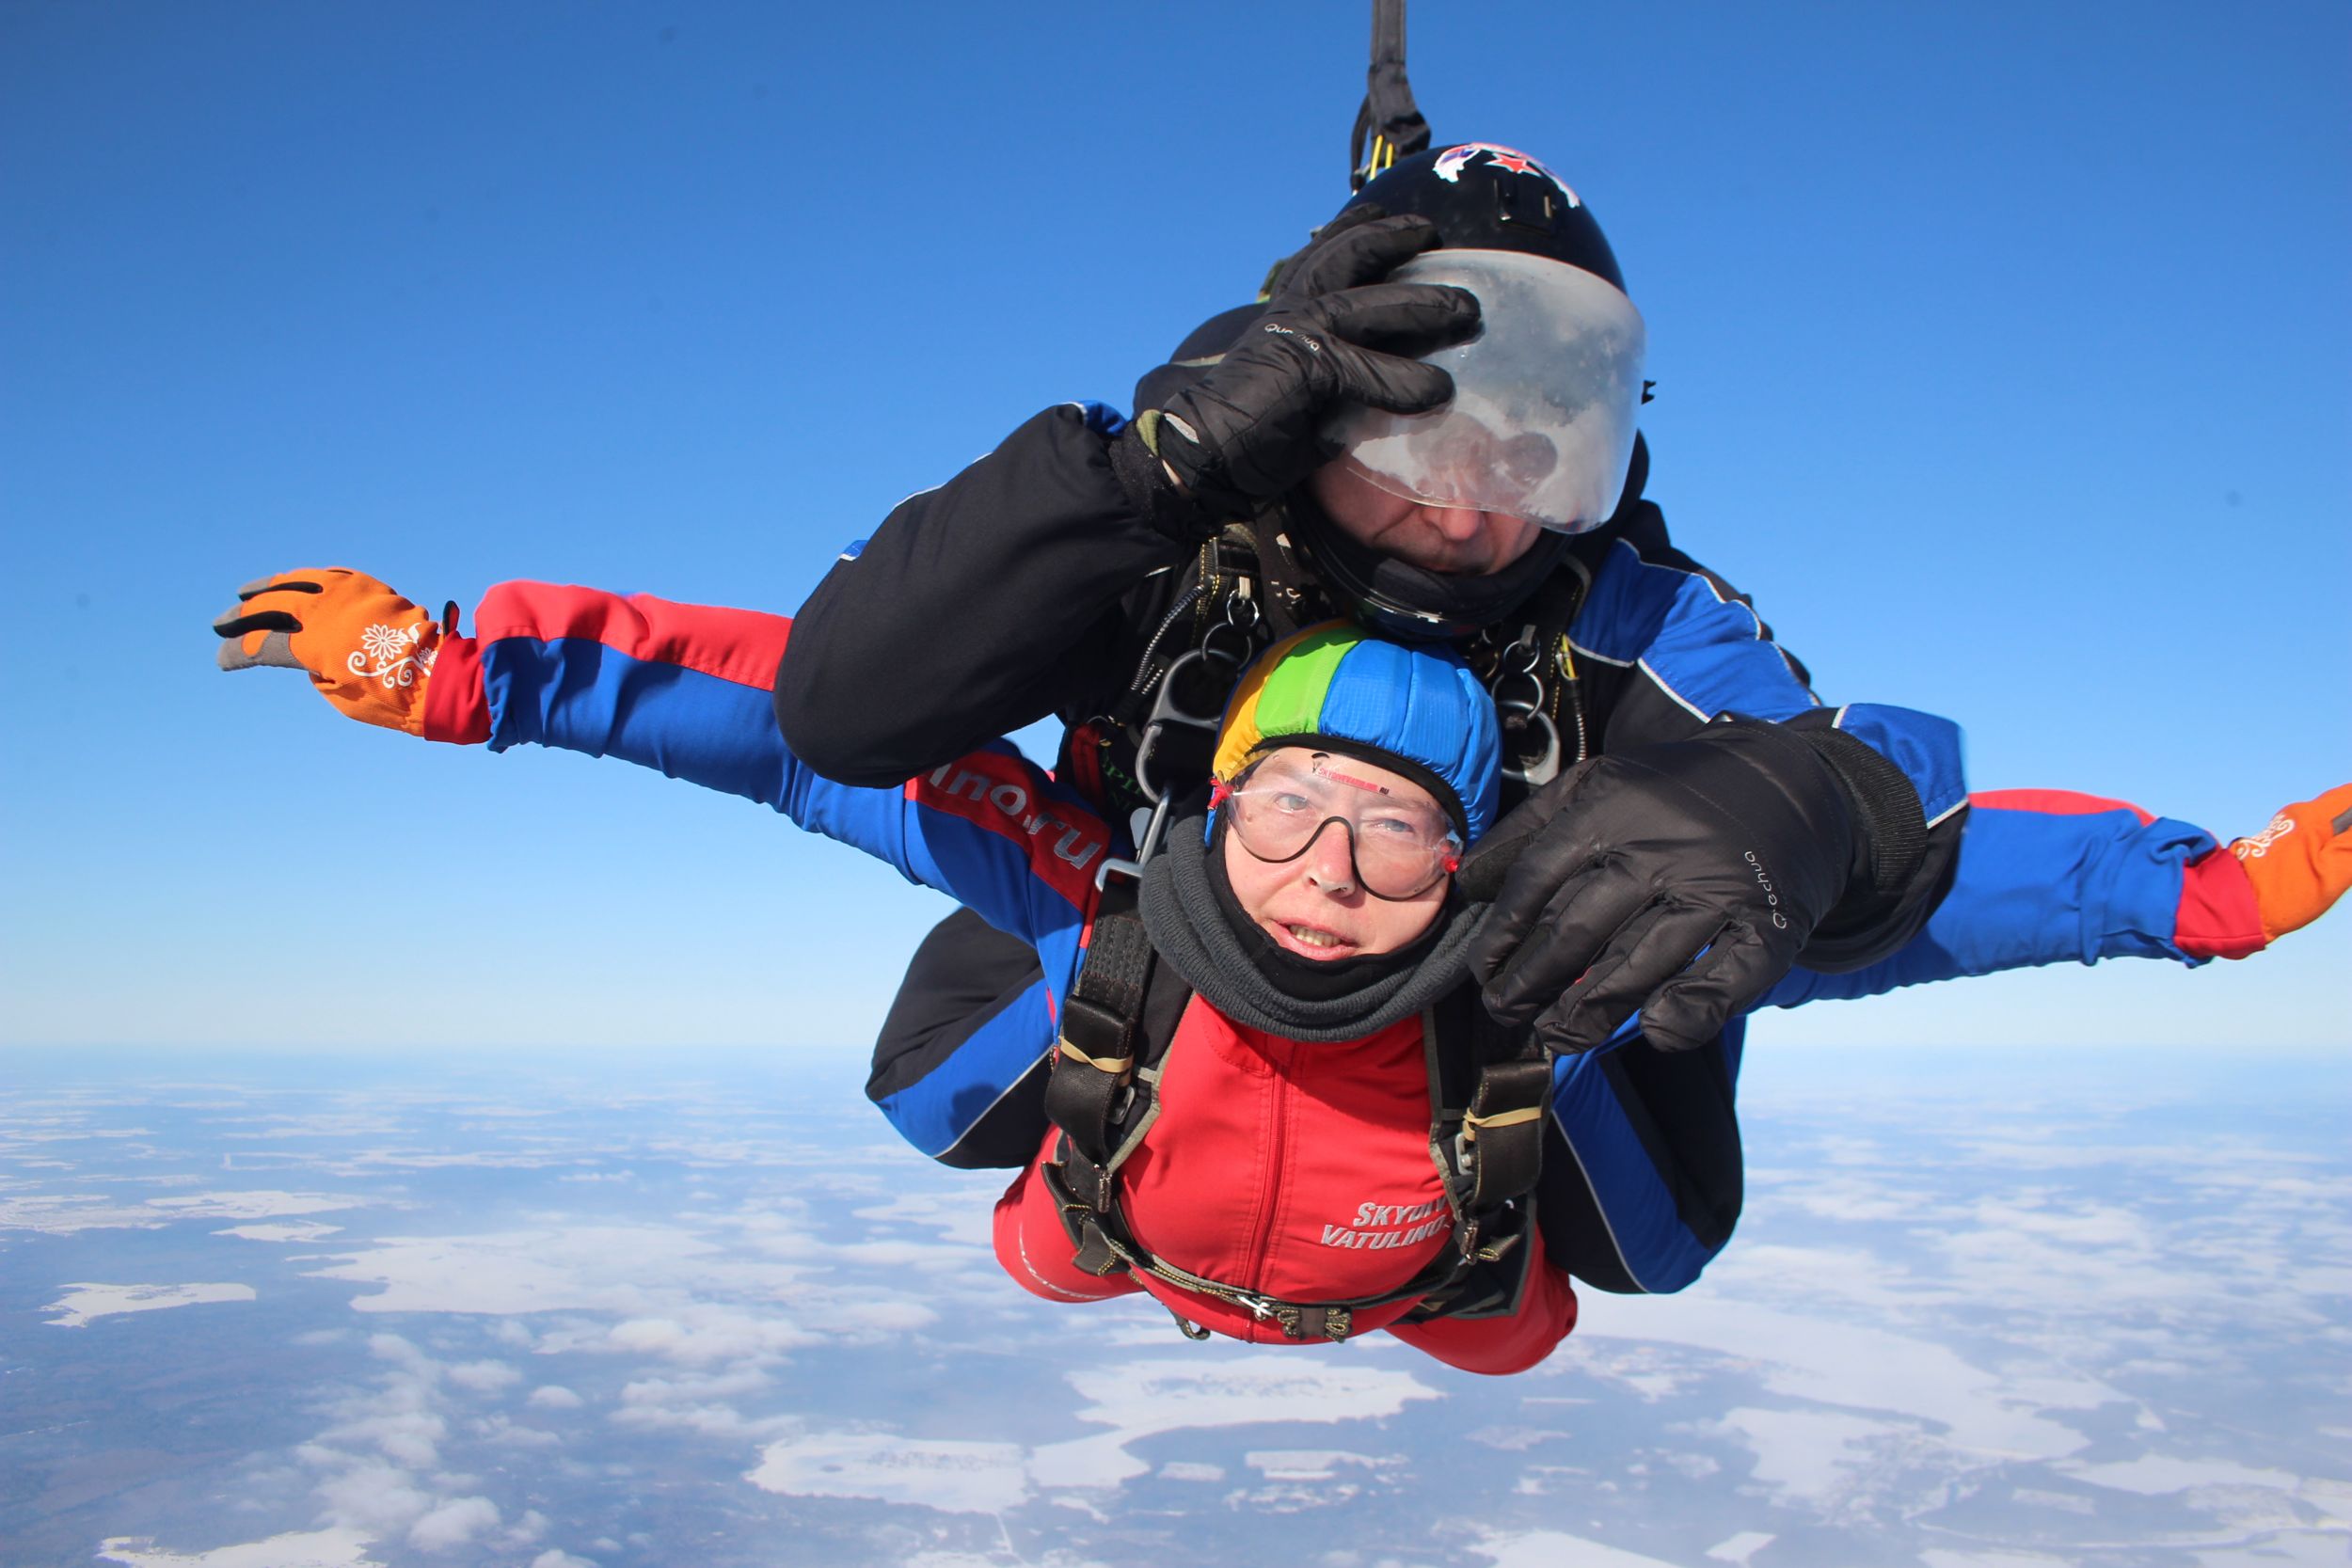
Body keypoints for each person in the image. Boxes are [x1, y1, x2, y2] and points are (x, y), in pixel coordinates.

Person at [211, 568, 2351, 1367]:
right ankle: (1136, 1220)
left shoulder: (1541, 958)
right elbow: (797, 728)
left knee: (1618, 1250)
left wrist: (2202, 900)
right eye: (1285, 814)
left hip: (1434, 1272)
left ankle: (1378, 1261)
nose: (1329, 874)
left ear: (1476, 841)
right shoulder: (1102, 893)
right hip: (1131, 1213)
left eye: (1395, 825)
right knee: (1004, 1175)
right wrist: (472, 678)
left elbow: (1912, 908)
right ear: (1208, 808)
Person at [774, 142, 1969, 1170]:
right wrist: (1143, 480)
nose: (1464, 520)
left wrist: (1801, 806)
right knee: (934, 1088)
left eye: (1527, 462)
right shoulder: (1158, 527)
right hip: (1125, 985)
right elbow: (846, 704)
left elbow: (1887, 776)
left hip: (1465, 1080)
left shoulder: (1623, 606)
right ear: (1310, 417)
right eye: (1420, 449)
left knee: (1655, 1219)